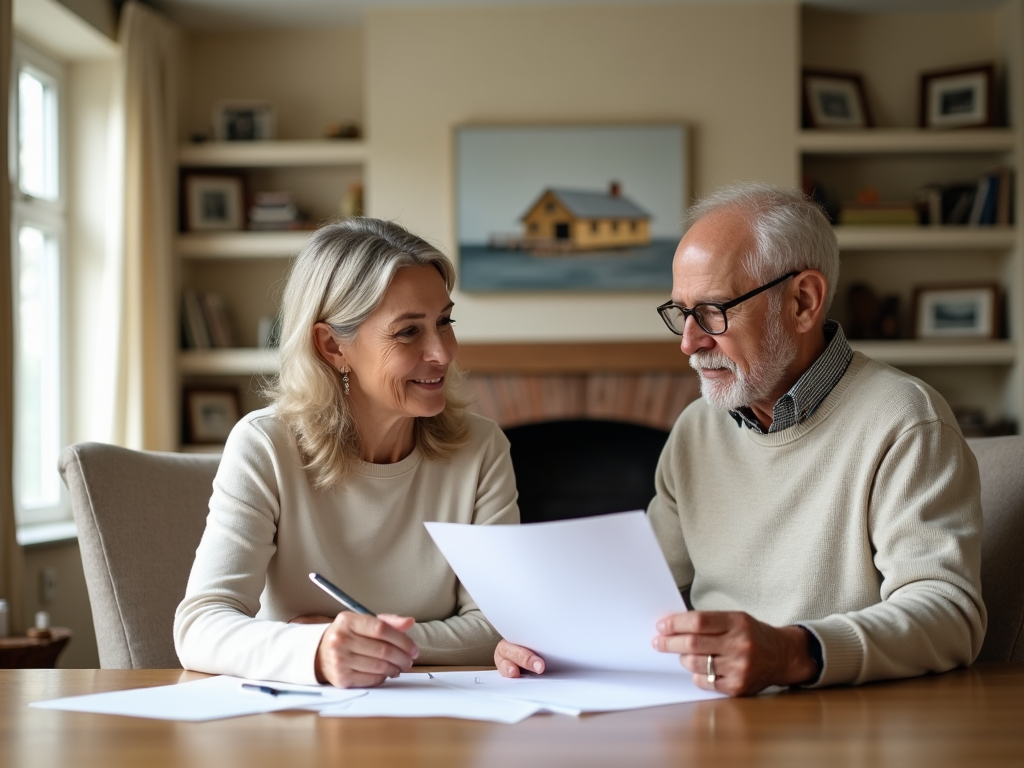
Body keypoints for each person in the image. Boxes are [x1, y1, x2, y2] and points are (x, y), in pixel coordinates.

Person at [495, 183, 986, 695]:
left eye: (713, 311)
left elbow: (950, 616)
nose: (689, 342)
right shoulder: (695, 429)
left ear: (803, 301)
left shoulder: (905, 421)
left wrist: (792, 653)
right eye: (681, 313)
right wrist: (548, 637)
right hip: (706, 715)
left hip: (846, 723)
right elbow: (640, 595)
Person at [175, 218, 519, 688]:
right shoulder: (265, 446)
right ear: (332, 345)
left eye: (445, 321)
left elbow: (500, 627)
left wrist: (368, 643)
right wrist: (316, 652)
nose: (442, 352)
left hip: (444, 722)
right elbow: (199, 625)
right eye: (408, 332)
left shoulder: (482, 450)